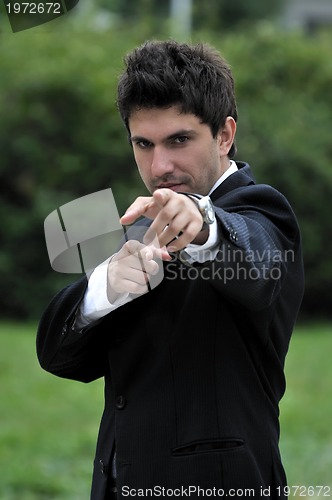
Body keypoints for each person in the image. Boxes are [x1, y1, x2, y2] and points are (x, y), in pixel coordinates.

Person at [37, 40, 304, 500]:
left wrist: (202, 225)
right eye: (143, 144)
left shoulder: (262, 212)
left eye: (179, 140)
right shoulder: (140, 225)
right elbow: (58, 358)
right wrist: (103, 290)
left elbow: (258, 267)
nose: (160, 166)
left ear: (224, 135)